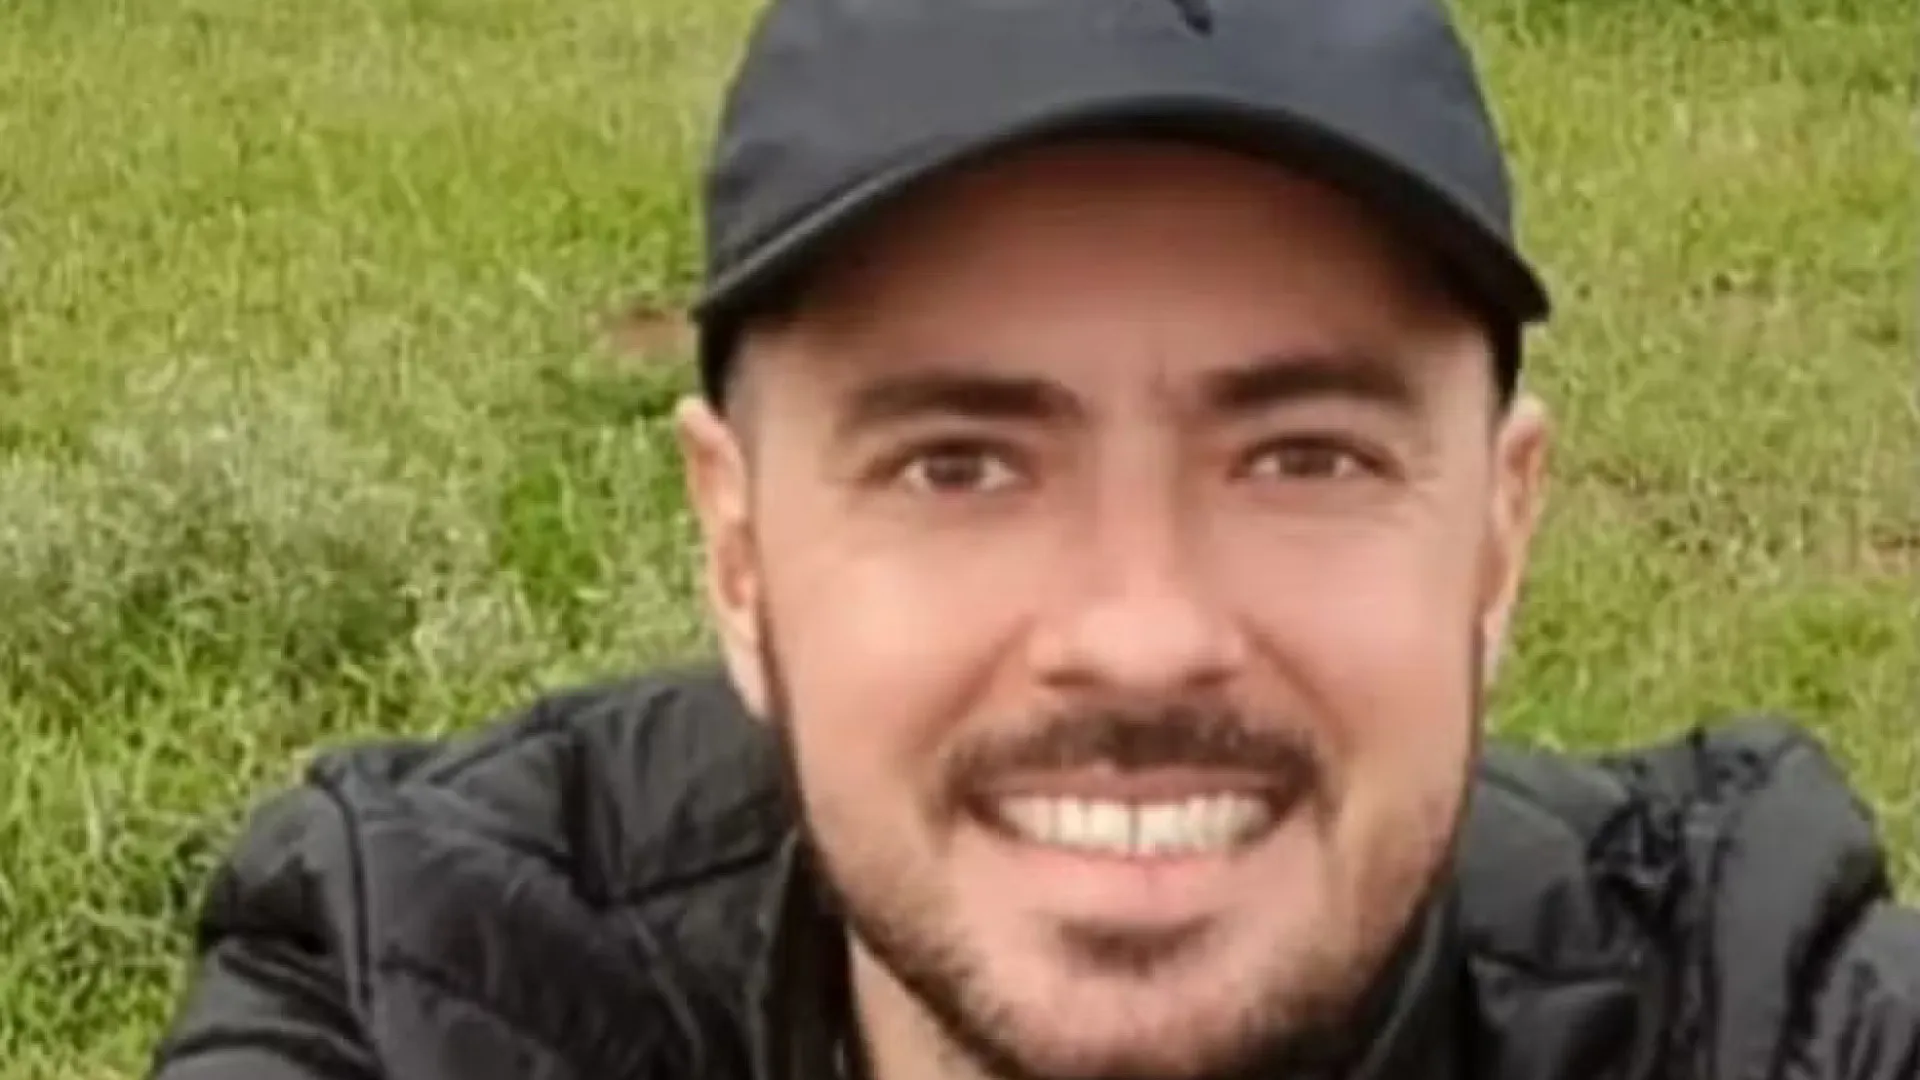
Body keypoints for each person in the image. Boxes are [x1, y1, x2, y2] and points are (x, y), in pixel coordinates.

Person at [148, 0, 1919, 1078]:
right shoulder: (434, 990)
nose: (1143, 632)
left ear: (1495, 547)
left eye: (1304, 456)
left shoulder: (1746, 1000)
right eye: (958, 466)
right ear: (740, 558)